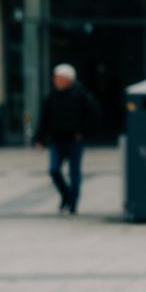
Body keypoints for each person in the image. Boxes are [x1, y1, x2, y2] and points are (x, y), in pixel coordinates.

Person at [34, 64, 100, 214]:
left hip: (74, 140)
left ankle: (73, 203)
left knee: (74, 172)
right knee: (54, 169)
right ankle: (66, 195)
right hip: (56, 139)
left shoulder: (81, 95)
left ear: (68, 80)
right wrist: (40, 138)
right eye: (55, 78)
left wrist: (83, 133)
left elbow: (94, 116)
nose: (55, 81)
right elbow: (44, 118)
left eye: (58, 78)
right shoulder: (52, 95)